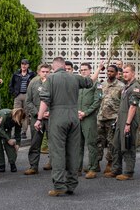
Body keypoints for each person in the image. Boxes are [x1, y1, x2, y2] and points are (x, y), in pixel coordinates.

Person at [37, 56, 96, 195]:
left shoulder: (50, 79)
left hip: (58, 116)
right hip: (73, 116)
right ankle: (71, 184)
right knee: (72, 150)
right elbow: (90, 82)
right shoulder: (74, 77)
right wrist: (99, 68)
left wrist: (39, 118)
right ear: (64, 66)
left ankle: (59, 186)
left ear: (53, 67)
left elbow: (45, 100)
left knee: (57, 151)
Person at [87, 63, 123, 178]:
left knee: (111, 143)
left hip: (112, 118)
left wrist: (119, 117)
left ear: (116, 73)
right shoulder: (102, 84)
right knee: (98, 141)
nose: (109, 73)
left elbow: (123, 104)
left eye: (112, 71)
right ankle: (96, 163)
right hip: (100, 117)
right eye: (108, 71)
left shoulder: (121, 86)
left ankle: (110, 163)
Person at [109, 63, 140, 180]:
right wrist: (118, 120)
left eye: (127, 72)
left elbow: (133, 106)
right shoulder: (126, 86)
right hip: (121, 119)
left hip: (129, 120)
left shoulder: (135, 87)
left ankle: (128, 172)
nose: (125, 74)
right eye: (123, 72)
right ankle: (116, 169)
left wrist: (128, 123)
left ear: (133, 73)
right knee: (116, 144)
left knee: (128, 145)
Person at [23, 63, 51, 175]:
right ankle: (33, 166)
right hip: (37, 117)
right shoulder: (33, 83)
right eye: (43, 71)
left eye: (47, 71)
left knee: (53, 142)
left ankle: (53, 163)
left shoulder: (53, 82)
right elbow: (28, 102)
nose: (45, 73)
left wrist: (50, 113)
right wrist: (38, 113)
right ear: (39, 72)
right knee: (35, 142)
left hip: (51, 117)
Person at [76, 62, 102, 173]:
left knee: (91, 143)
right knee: (77, 144)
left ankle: (93, 168)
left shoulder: (96, 84)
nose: (83, 71)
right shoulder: (77, 84)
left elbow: (97, 101)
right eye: (81, 70)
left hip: (89, 118)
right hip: (76, 117)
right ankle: (77, 168)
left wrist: (85, 113)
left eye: (85, 69)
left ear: (90, 70)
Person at [0, 107, 25, 173]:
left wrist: (17, 144)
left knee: (9, 145)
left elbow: (18, 133)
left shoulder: (19, 119)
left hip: (6, 128)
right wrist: (8, 139)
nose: (17, 122)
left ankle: (12, 163)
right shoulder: (4, 115)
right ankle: (1, 165)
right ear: (15, 115)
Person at [9, 59, 34, 138]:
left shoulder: (32, 74)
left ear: (28, 65)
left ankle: (24, 132)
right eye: (22, 64)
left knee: (26, 114)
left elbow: (34, 85)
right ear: (20, 65)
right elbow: (11, 84)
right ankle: (16, 132)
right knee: (16, 113)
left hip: (27, 95)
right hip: (18, 95)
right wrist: (14, 93)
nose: (24, 65)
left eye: (25, 64)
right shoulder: (16, 74)